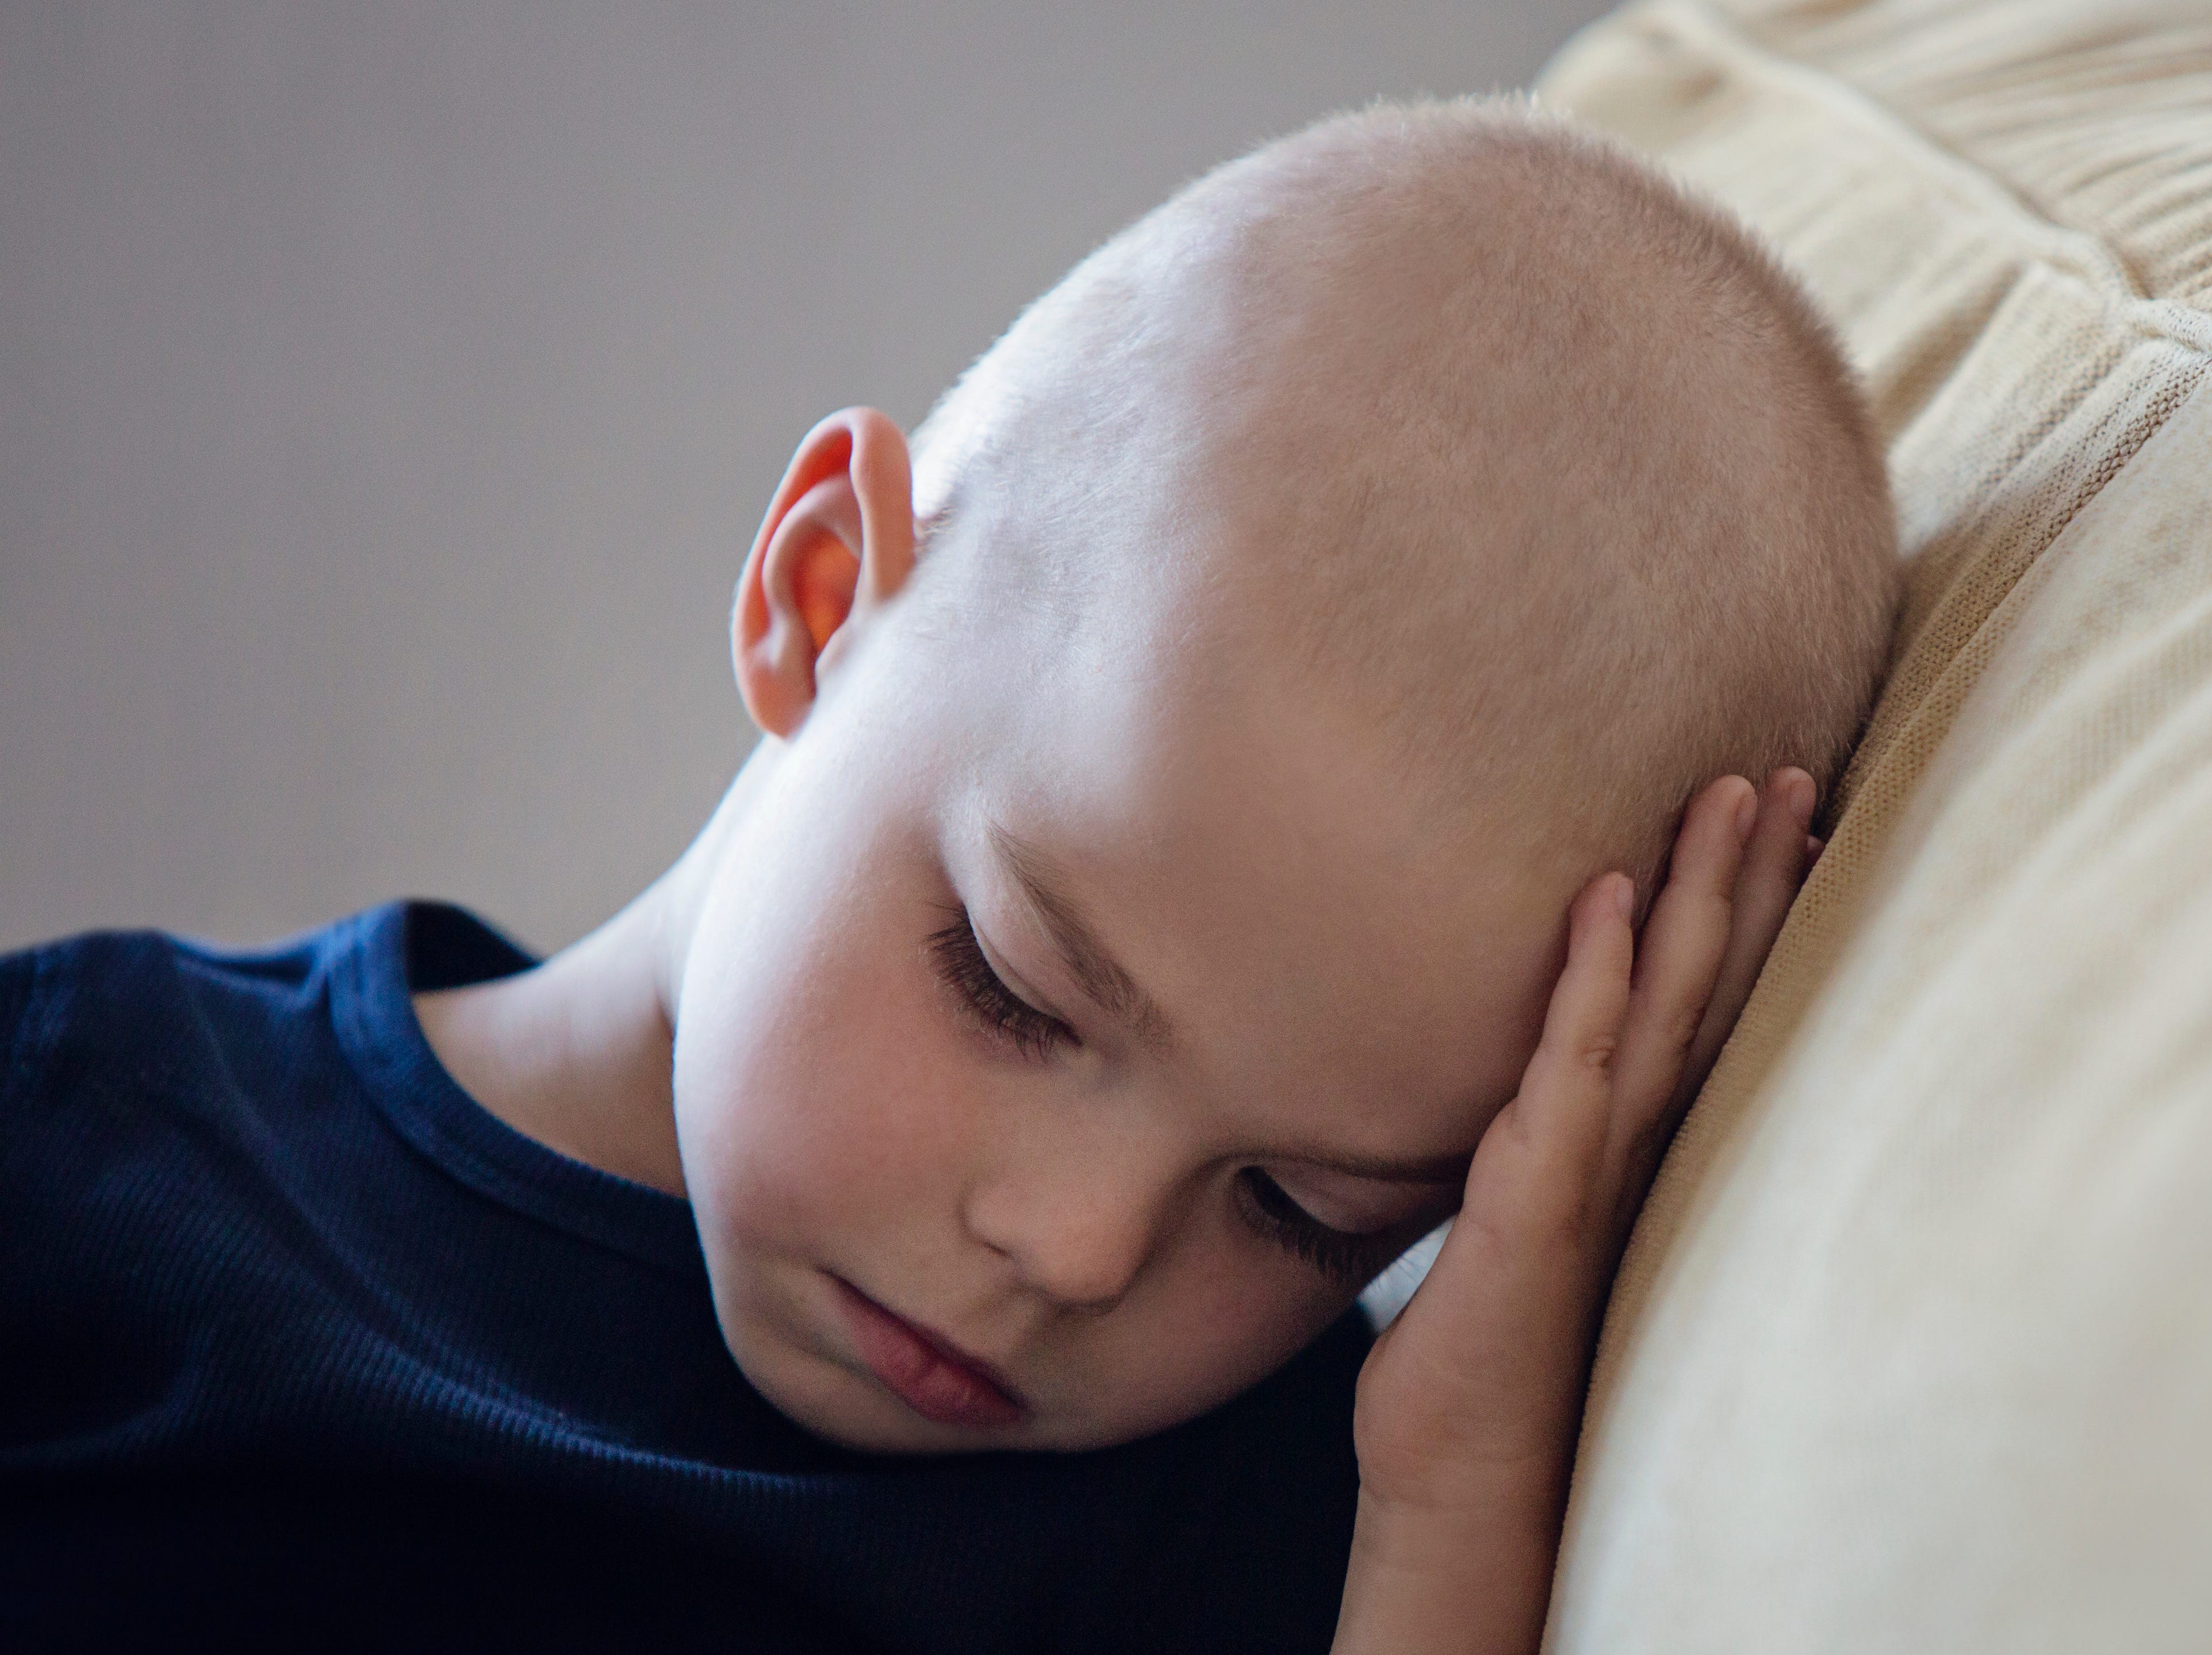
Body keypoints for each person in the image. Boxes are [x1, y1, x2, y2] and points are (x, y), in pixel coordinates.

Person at [0, 98, 1896, 1653]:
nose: (1075, 1256)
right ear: (822, 600)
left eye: (1306, 1210)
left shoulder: (1276, 1549)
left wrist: (1452, 1508)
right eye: (1015, 987)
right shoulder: (84, 1142)